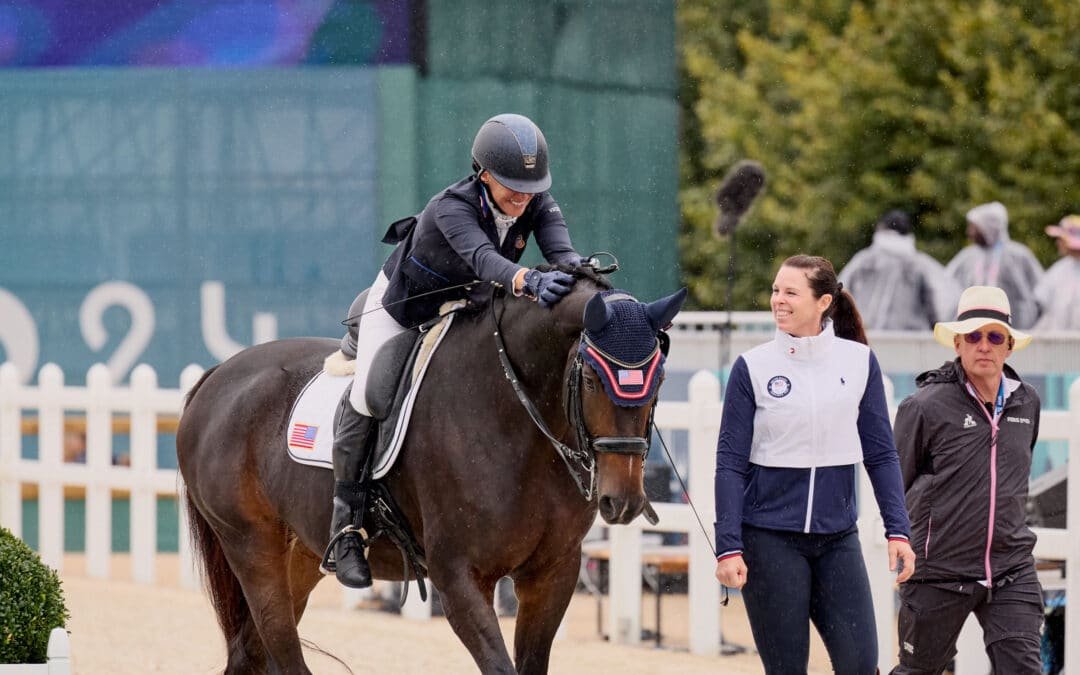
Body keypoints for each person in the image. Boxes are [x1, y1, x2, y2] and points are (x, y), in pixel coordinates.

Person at [321, 113, 586, 588]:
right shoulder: (451, 207)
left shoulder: (538, 202)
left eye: (530, 186)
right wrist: (529, 279)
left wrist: (579, 278)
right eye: (510, 185)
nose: (522, 196)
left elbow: (563, 256)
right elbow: (485, 259)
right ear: (483, 173)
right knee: (371, 394)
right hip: (405, 307)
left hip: (471, 308)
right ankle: (346, 528)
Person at [714, 254, 916, 674]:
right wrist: (728, 544)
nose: (778, 300)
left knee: (861, 665)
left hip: (838, 540)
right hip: (769, 540)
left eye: (791, 292)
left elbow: (881, 454)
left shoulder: (859, 362)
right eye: (775, 290)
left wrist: (899, 529)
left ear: (824, 302)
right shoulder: (752, 367)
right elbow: (730, 462)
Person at [890, 285, 1042, 675]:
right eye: (973, 336)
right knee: (918, 670)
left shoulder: (1028, 402)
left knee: (1023, 668)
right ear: (958, 343)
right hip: (939, 571)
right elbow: (897, 482)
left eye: (994, 337)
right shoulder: (924, 406)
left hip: (1010, 569)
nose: (984, 346)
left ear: (1009, 346)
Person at [839, 209, 959, 330]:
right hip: (910, 342)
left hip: (866, 336)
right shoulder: (921, 264)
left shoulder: (864, 260)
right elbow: (938, 306)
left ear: (882, 228)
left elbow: (840, 294)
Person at [945, 201, 1043, 328]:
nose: (969, 233)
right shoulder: (967, 257)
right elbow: (947, 290)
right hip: (972, 332)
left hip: (1014, 331)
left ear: (988, 227)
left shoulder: (1018, 256)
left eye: (974, 228)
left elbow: (1039, 293)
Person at [1033, 214, 1080, 330]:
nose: (1057, 243)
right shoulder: (1059, 269)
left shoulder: (1062, 270)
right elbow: (1042, 306)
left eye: (1061, 238)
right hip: (1060, 344)